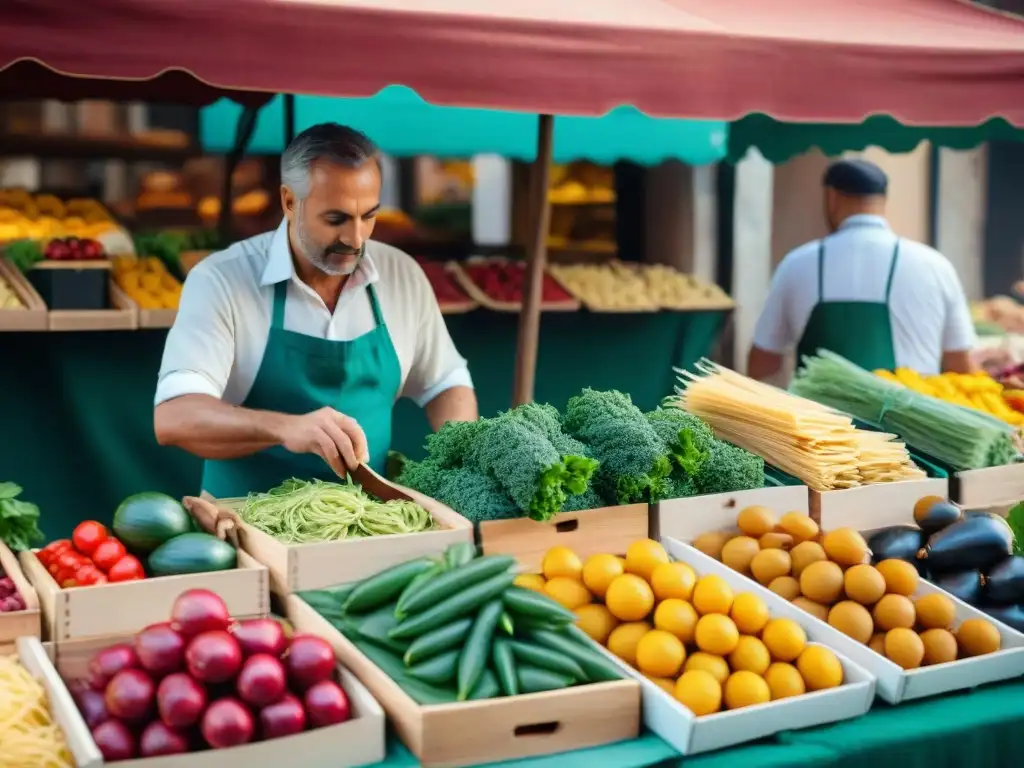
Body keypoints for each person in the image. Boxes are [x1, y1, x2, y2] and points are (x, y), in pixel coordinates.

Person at [153, 123, 478, 497]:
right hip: (246, 526)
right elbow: (175, 417)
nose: (355, 239)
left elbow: (447, 382)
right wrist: (286, 428)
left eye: (368, 216)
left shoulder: (401, 275)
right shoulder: (221, 280)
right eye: (336, 219)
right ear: (290, 202)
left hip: (373, 524)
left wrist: (459, 464)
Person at [747, 158, 977, 381]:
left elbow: (762, 363)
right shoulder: (935, 265)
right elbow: (960, 364)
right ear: (884, 201)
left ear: (832, 197)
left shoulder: (797, 263)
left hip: (819, 418)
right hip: (908, 418)